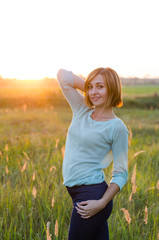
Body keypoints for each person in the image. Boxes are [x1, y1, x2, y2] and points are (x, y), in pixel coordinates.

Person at [57, 67, 129, 240]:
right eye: (91, 86)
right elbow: (63, 75)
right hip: (77, 192)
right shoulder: (82, 109)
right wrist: (91, 91)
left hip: (91, 197)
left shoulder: (117, 127)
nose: (93, 91)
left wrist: (101, 203)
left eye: (100, 87)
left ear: (112, 88)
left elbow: (121, 173)